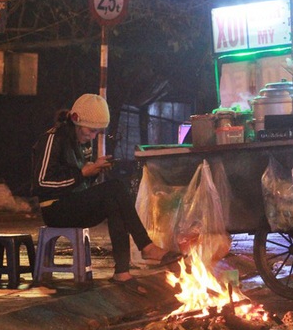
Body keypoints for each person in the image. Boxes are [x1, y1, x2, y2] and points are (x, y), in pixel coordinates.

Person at [32, 93, 182, 295]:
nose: (92, 136)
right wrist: (82, 173)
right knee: (115, 188)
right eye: (91, 130)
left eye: (97, 132)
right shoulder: (52, 139)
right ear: (76, 120)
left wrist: (93, 171)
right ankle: (146, 246)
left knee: (114, 201)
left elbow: (81, 183)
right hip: (55, 209)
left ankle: (122, 271)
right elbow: (41, 182)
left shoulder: (82, 142)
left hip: (75, 203)